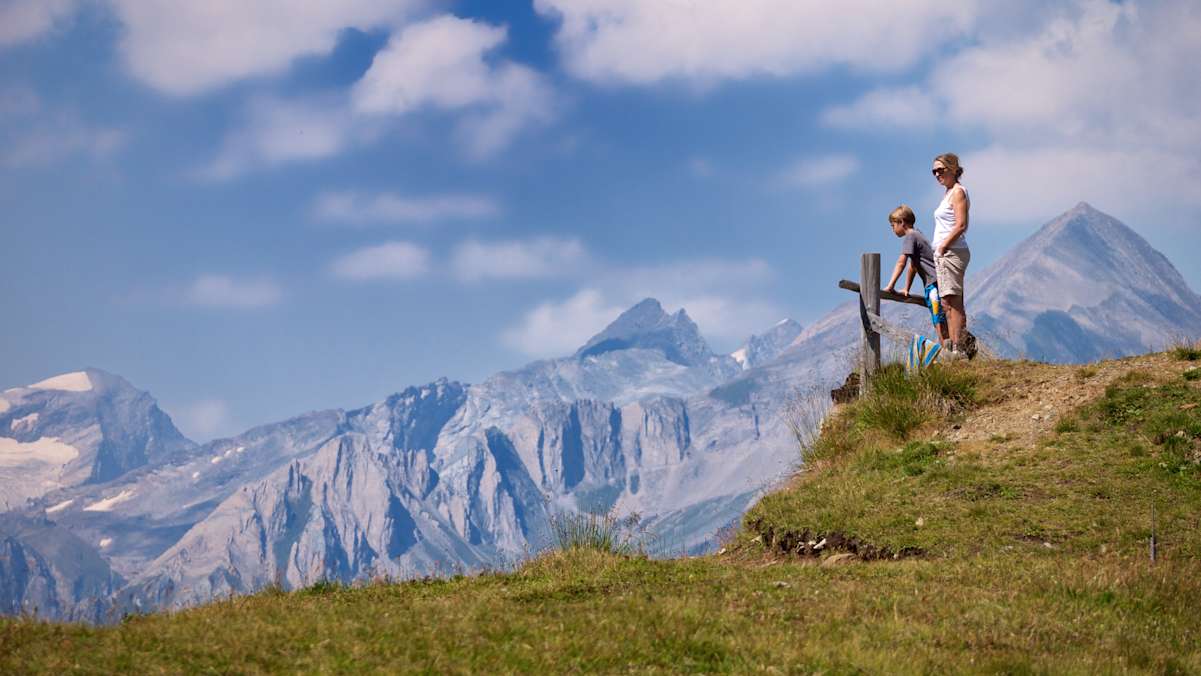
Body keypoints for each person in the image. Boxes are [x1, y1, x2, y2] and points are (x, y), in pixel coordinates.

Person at [884, 204, 949, 346]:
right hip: (939, 282)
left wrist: (890, 286)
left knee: (938, 319)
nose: (892, 229)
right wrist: (906, 288)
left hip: (933, 284)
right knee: (941, 317)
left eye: (893, 225)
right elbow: (913, 266)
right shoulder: (918, 234)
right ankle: (949, 349)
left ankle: (946, 351)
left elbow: (901, 262)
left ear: (902, 222)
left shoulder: (910, 237)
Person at [931, 152, 971, 356]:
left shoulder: (958, 192)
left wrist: (943, 246)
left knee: (954, 301)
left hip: (952, 251)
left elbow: (961, 224)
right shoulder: (948, 193)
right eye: (934, 171)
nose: (937, 174)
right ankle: (954, 346)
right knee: (947, 302)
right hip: (945, 253)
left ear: (953, 169)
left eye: (941, 170)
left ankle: (959, 348)